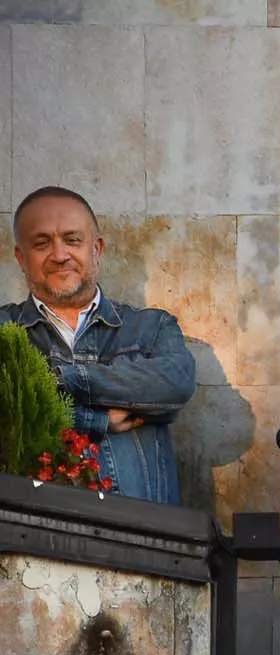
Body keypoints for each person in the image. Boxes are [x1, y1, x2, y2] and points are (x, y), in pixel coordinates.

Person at [2, 186, 197, 503]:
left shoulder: (150, 328)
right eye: (41, 243)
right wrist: (96, 419)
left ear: (97, 249)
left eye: (72, 240)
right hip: (25, 541)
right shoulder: (3, 331)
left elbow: (176, 383)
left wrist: (58, 379)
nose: (60, 254)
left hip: (139, 539)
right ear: (21, 257)